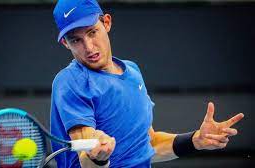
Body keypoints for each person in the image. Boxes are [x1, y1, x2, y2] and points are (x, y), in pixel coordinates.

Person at [50, 0, 244, 167]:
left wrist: (196, 140)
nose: (88, 47)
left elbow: (148, 144)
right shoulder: (69, 82)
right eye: (76, 40)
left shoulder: (132, 71)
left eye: (92, 32)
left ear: (106, 22)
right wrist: (98, 158)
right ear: (65, 44)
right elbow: (86, 159)